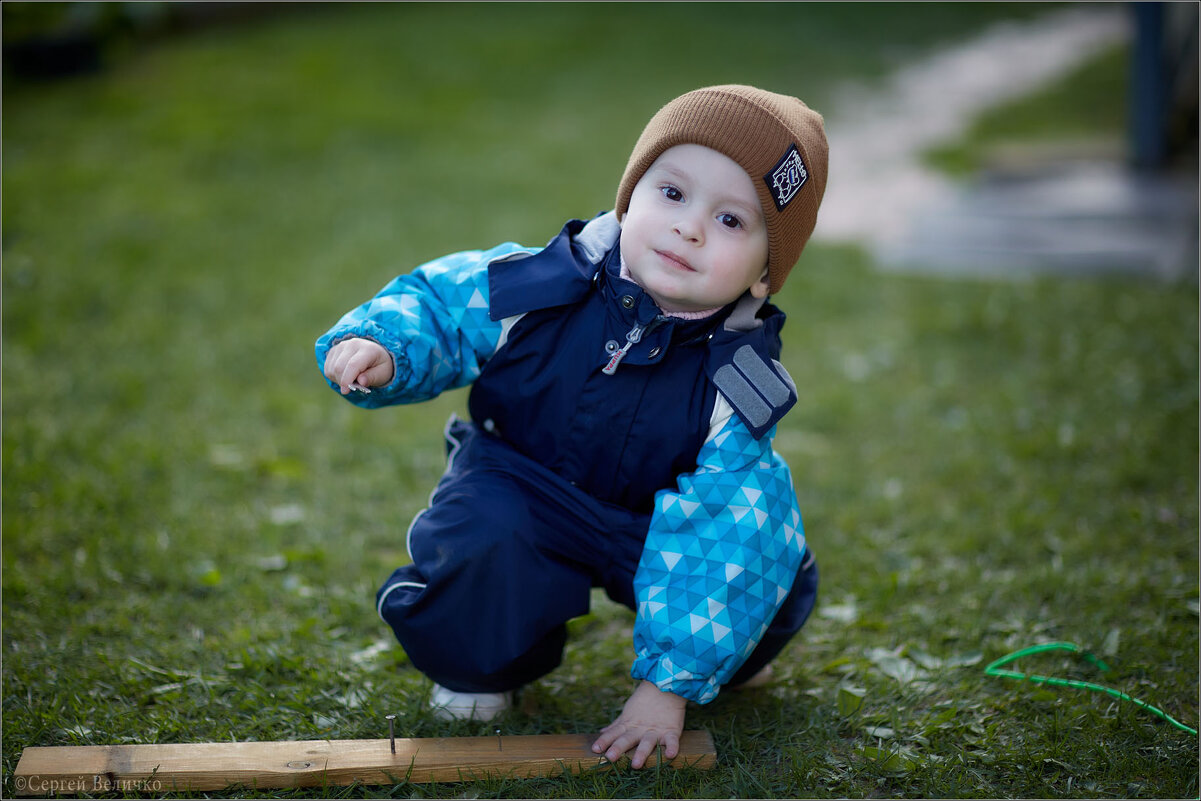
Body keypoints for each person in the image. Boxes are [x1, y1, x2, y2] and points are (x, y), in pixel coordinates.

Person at [317, 85, 828, 769]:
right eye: (671, 194)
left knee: (762, 562)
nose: (689, 227)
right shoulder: (545, 284)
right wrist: (387, 347)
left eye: (731, 220)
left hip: (655, 526)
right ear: (630, 194)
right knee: (481, 534)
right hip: (525, 483)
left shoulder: (733, 384)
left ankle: (720, 659)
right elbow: (447, 302)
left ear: (767, 272)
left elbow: (728, 535)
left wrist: (664, 687)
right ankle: (482, 664)